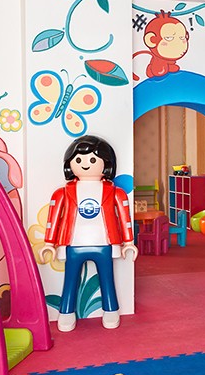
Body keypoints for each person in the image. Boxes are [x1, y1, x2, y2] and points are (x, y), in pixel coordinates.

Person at [38, 135, 137, 331]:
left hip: (104, 244)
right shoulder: (62, 192)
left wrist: (128, 242)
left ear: (106, 163)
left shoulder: (115, 192)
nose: (85, 164)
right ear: (69, 163)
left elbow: (125, 218)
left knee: (107, 280)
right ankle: (66, 312)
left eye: (93, 159)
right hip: (73, 244)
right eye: (79, 159)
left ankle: (111, 310)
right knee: (70, 281)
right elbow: (53, 219)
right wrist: (49, 242)